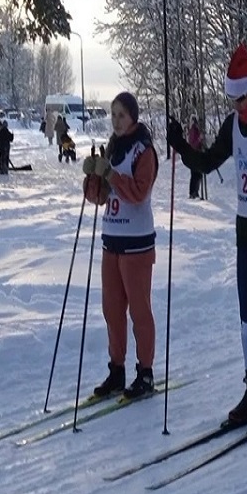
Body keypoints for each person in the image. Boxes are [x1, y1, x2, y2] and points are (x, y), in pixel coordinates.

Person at [167, 44, 247, 427]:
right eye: (232, 100)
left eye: (242, 99)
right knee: (245, 315)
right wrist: (180, 145)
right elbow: (208, 162)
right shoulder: (233, 123)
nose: (237, 107)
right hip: (245, 228)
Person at [82, 91, 159, 399]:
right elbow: (100, 198)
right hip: (111, 239)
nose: (116, 121)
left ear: (133, 117)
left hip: (137, 242)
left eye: (121, 115)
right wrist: (92, 178)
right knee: (112, 309)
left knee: (139, 310)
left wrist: (110, 175)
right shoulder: (113, 148)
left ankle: (145, 372)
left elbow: (139, 193)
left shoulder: (144, 150)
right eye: (113, 115)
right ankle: (117, 369)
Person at [185, 116, 205, 199]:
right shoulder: (193, 130)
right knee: (195, 174)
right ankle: (193, 192)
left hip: (197, 154)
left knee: (198, 174)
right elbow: (193, 144)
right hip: (194, 154)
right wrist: (199, 139)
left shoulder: (195, 130)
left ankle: (195, 192)